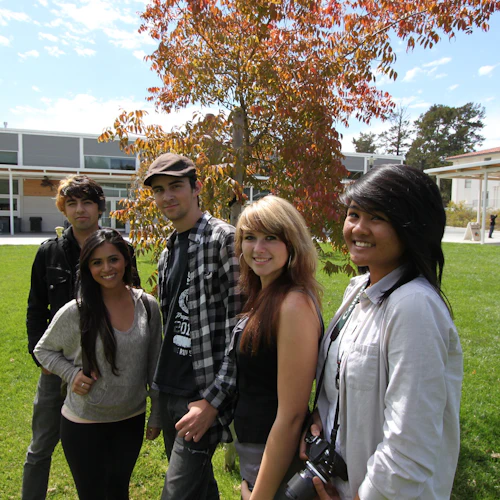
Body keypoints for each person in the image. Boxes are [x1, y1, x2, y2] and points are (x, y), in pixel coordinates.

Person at [301, 164, 463, 500]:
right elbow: (339, 382)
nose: (358, 228)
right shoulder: (359, 288)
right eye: (353, 214)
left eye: (377, 217)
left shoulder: (414, 306)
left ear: (411, 227)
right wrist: (320, 419)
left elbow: (410, 445)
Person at [23, 174, 140, 500]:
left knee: (103, 451)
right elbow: (35, 309)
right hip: (58, 365)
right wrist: (40, 358)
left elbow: (135, 303)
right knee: (41, 447)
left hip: (106, 368)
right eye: (71, 203)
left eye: (87, 202)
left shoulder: (121, 251)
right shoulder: (50, 253)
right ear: (63, 208)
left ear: (99, 207)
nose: (80, 209)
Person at [34, 228, 162, 499]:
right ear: (88, 267)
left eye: (113, 259)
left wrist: (157, 412)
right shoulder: (77, 311)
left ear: (126, 260)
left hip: (130, 420)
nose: (107, 268)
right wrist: (71, 374)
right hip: (84, 423)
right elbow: (43, 350)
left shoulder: (148, 307)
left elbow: (155, 365)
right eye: (97, 262)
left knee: (118, 492)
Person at [143, 153, 241, 499]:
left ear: (196, 187)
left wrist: (212, 402)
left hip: (200, 396)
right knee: (198, 489)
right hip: (170, 390)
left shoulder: (224, 240)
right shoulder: (168, 250)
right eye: (158, 190)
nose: (166, 196)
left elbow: (242, 331)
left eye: (175, 187)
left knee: (177, 492)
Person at [216, 195, 323, 499]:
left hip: (274, 455)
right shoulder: (268, 294)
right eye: (249, 237)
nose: (257, 248)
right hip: (256, 448)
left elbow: (290, 415)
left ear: (292, 244)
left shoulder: (292, 304)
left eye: (271, 238)